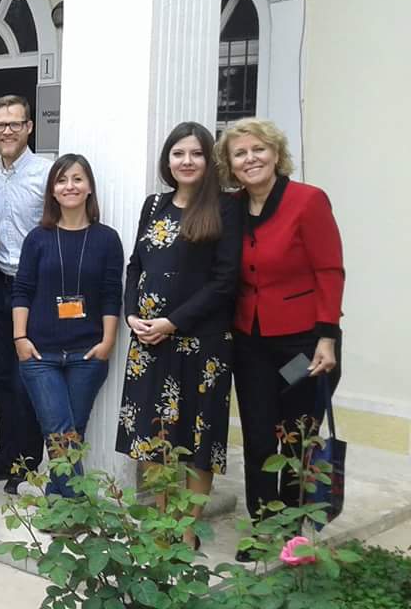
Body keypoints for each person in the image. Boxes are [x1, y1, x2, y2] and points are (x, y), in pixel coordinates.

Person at [213, 118, 344, 533]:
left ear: (275, 153)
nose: (250, 159)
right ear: (230, 164)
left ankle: (292, 523)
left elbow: (329, 270)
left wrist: (328, 336)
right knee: (257, 434)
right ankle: (266, 523)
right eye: (240, 153)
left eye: (258, 150)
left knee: (295, 431)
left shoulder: (307, 201)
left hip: (302, 344)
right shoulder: (231, 206)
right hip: (251, 343)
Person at [114, 122, 241, 549]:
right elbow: (136, 266)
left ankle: (187, 527)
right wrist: (132, 314)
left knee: (197, 438)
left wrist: (173, 322)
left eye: (196, 154)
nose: (186, 161)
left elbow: (225, 282)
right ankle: (163, 522)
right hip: (148, 342)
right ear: (167, 161)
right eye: (178, 154)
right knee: (153, 438)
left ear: (209, 160)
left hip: (200, 345)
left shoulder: (226, 208)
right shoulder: (153, 205)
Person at [13, 154, 123, 498]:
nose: (70, 186)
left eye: (77, 179)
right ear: (52, 191)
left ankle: (58, 500)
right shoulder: (38, 238)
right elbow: (22, 291)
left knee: (72, 430)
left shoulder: (107, 238)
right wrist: (20, 338)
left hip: (87, 353)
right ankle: (71, 507)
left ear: (89, 187)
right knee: (61, 430)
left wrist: (107, 342)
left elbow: (110, 294)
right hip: (40, 353)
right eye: (62, 180)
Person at [0, 95, 51, 492]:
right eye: (0, 124)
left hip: (32, 288)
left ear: (29, 127)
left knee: (26, 378)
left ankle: (26, 461)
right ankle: (3, 456)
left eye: (15, 123)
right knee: (1, 378)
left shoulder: (46, 173)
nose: (7, 131)